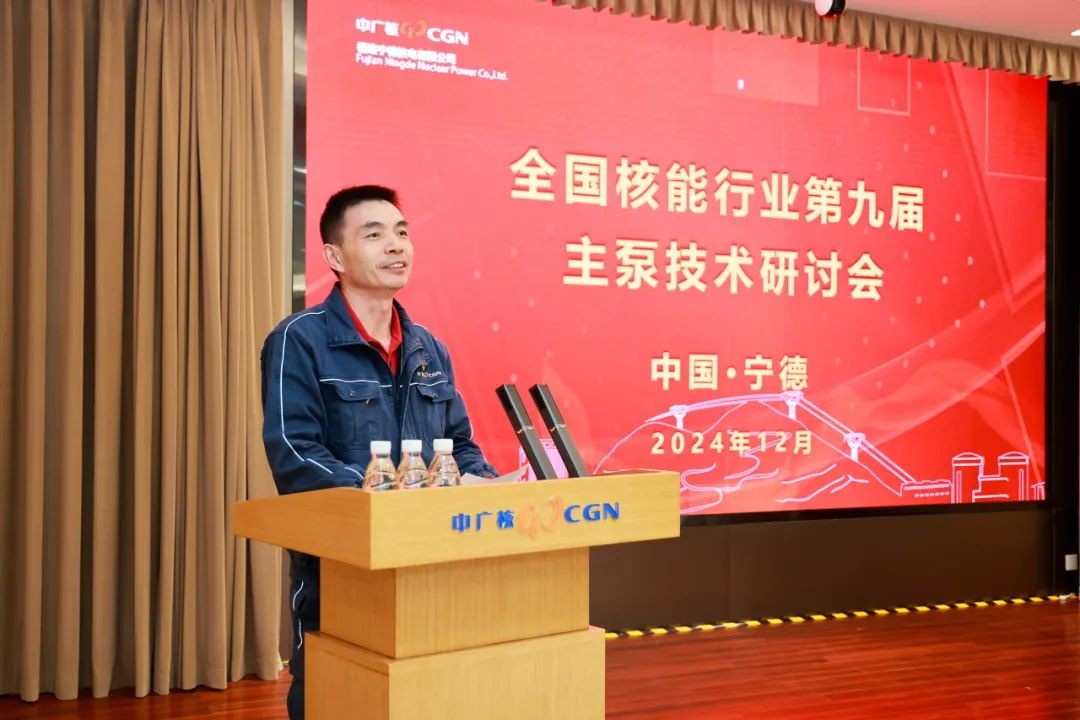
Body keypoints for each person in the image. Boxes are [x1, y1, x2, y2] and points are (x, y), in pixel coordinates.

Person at [259, 185, 498, 720]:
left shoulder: (428, 347)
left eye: (402, 232)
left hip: (433, 564)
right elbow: (295, 451)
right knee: (338, 696)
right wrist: (381, 498)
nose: (396, 245)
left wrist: (487, 488)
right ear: (334, 256)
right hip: (342, 569)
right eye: (374, 234)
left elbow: (459, 444)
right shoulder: (298, 340)